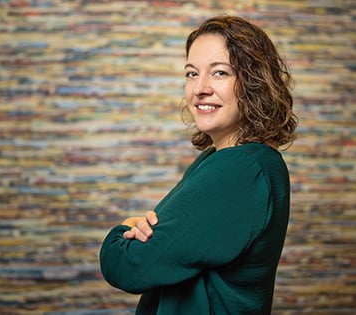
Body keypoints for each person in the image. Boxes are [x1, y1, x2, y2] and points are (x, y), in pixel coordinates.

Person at [100, 15, 297, 315]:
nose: (199, 88)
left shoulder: (242, 170)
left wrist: (123, 229)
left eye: (219, 73)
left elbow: (128, 265)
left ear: (254, 82)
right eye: (192, 74)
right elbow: (165, 246)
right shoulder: (217, 160)